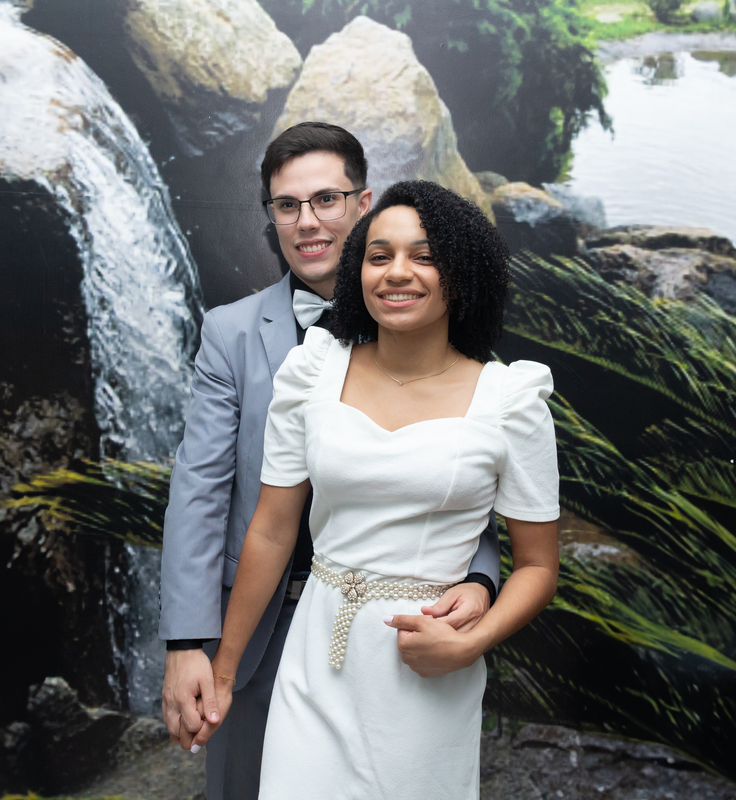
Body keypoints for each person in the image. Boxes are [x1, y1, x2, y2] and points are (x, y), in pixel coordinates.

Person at [158, 123, 502, 800]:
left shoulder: (429, 324)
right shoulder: (230, 333)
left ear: (362, 203)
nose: (307, 222)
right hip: (256, 628)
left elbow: (464, 481)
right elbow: (198, 491)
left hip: (394, 633)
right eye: (287, 205)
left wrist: (481, 581)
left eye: (325, 199)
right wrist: (186, 644)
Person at [205, 180, 561, 798]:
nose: (398, 272)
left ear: (461, 276)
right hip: (316, 657)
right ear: (357, 272)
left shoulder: (509, 401)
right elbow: (271, 529)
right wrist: (224, 670)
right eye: (379, 256)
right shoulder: (313, 372)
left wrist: (473, 642)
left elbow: (537, 566)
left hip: (425, 669)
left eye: (424, 256)